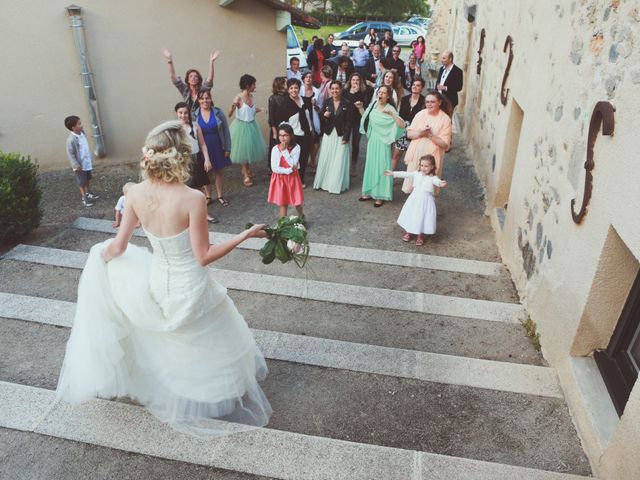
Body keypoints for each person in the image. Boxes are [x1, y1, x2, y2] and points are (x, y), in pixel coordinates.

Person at [56, 120, 272, 437]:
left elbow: (118, 246)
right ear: (181, 157)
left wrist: (99, 258)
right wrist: (246, 234)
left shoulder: (134, 193)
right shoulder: (194, 198)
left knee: (175, 341)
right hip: (192, 284)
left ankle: (182, 391)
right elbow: (204, 256)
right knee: (210, 337)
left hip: (159, 279)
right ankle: (213, 394)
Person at [356, 85, 404, 207]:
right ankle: (369, 192)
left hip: (384, 142)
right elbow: (366, 119)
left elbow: (401, 125)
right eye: (379, 92)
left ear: (388, 96)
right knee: (371, 165)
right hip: (373, 140)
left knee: (382, 166)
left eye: (383, 93)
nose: (380, 94)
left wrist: (392, 115)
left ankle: (380, 195)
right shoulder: (373, 105)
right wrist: (361, 109)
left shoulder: (390, 108)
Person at [385, 154, 447, 246]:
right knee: (412, 215)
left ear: (432, 167)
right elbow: (406, 174)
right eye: (421, 165)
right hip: (414, 199)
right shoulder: (416, 174)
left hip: (425, 201)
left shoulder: (432, 178)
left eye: (426, 166)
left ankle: (420, 235)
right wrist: (394, 173)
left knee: (422, 217)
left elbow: (437, 181)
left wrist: (440, 183)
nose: (423, 168)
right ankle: (409, 232)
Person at [175, 102, 218, 224]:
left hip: (197, 158)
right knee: (184, 188)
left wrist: (207, 159)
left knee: (200, 188)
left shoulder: (195, 126)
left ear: (189, 113)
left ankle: (204, 213)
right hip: (182, 161)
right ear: (176, 113)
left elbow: (203, 144)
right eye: (180, 113)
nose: (183, 115)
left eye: (185, 113)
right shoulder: (175, 128)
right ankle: (187, 214)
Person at [402, 90, 452, 193]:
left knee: (427, 189)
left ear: (439, 102)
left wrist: (430, 135)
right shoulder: (420, 114)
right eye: (427, 102)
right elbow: (408, 134)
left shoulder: (445, 119)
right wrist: (420, 133)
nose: (429, 104)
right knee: (413, 186)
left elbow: (445, 144)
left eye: (432, 102)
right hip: (416, 155)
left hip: (431, 159)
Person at [273, 78, 313, 188]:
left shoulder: (305, 100)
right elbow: (281, 122)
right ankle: (292, 179)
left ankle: (301, 179)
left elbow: (310, 117)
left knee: (304, 158)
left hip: (306, 134)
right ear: (288, 89)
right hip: (294, 136)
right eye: (291, 88)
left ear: (299, 89)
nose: (294, 90)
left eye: (296, 88)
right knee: (294, 159)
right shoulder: (284, 104)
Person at [313, 81, 352, 194]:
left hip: (341, 134)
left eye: (337, 88)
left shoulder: (347, 103)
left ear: (341, 90)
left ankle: (336, 184)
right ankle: (325, 182)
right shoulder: (327, 102)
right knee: (327, 156)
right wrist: (324, 116)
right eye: (332, 89)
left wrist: (346, 137)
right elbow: (321, 117)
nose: (335, 91)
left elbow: (349, 122)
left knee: (339, 158)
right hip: (329, 134)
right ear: (330, 90)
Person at [228, 74, 267, 187]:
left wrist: (261, 109)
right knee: (243, 151)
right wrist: (233, 104)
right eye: (254, 84)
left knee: (248, 149)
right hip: (241, 127)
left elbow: (251, 110)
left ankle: (247, 170)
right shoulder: (239, 98)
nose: (255, 86)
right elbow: (229, 114)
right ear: (248, 85)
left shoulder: (251, 96)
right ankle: (245, 175)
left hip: (251, 125)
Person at [197, 90, 232, 206]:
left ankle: (220, 195)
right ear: (198, 100)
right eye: (202, 98)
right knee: (205, 172)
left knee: (218, 172)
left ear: (211, 99)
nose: (205, 100)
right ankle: (208, 196)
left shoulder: (218, 112)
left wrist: (227, 148)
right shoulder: (194, 115)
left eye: (207, 98)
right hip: (202, 147)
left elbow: (226, 131)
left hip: (218, 145)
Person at [161, 48, 219, 118]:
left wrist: (211, 62)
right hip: (190, 120)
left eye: (195, 76)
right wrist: (169, 60)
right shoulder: (185, 90)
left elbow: (210, 79)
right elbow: (173, 78)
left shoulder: (203, 90)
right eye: (191, 76)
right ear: (188, 80)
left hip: (204, 119)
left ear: (199, 79)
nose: (193, 78)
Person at [268, 123, 304, 219]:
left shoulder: (296, 147)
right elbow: (274, 168)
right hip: (280, 179)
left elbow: (293, 164)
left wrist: (284, 152)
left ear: (291, 136)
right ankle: (282, 224)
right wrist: (288, 170)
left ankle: (301, 217)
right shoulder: (275, 149)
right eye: (280, 135)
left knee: (297, 201)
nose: (282, 138)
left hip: (293, 178)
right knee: (283, 203)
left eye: (285, 135)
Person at [392, 77, 426, 170]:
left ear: (422, 88)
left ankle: (410, 181)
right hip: (403, 130)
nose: (415, 87)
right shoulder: (404, 99)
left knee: (412, 158)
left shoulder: (424, 101)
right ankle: (388, 179)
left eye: (418, 85)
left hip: (415, 132)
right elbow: (400, 115)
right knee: (396, 155)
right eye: (413, 85)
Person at [65, 115, 99, 207]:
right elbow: (70, 154)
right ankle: (84, 197)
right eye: (79, 124)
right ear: (73, 128)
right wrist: (75, 164)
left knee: (88, 178)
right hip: (79, 166)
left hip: (86, 162)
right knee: (81, 182)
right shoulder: (71, 140)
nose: (81, 125)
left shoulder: (82, 133)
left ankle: (88, 192)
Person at [342, 72, 370, 177]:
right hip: (347, 120)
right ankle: (344, 164)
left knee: (356, 143)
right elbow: (344, 104)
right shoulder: (345, 92)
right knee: (345, 141)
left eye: (357, 80)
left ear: (360, 82)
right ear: (350, 81)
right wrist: (352, 94)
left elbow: (364, 106)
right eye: (353, 80)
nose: (355, 82)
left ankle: (353, 165)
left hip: (358, 120)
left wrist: (357, 95)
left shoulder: (363, 92)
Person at [301, 71, 321, 173]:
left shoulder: (316, 91)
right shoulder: (299, 90)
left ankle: (313, 161)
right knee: (305, 141)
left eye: (310, 77)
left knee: (315, 141)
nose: (308, 79)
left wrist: (315, 105)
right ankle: (304, 162)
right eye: (306, 77)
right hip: (303, 119)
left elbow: (319, 109)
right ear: (303, 79)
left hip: (314, 118)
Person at [267, 77, 288, 171]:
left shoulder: (288, 96)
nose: (288, 84)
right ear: (281, 85)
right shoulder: (273, 98)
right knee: (276, 148)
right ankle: (274, 168)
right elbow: (271, 117)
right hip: (277, 128)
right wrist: (274, 132)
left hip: (287, 126)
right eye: (286, 83)